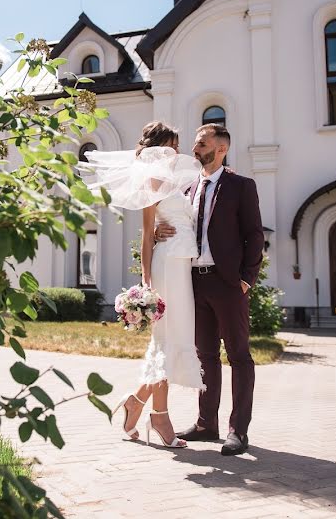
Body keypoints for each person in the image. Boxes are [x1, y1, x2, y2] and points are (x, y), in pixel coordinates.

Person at [81, 121, 204, 448]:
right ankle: (160, 416)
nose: (175, 152)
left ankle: (137, 402)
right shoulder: (153, 179)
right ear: (158, 147)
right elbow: (147, 233)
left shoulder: (174, 181)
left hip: (182, 265)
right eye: (171, 145)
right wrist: (146, 282)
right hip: (167, 267)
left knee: (177, 339)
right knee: (167, 340)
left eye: (177, 146)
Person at [156, 123, 264, 455]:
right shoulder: (188, 186)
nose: (194, 148)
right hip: (194, 281)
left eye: (201, 143)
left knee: (239, 356)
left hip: (229, 282)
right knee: (205, 356)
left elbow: (254, 234)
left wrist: (247, 279)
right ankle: (206, 423)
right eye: (195, 141)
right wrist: (161, 231)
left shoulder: (241, 186)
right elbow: (178, 224)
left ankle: (238, 431)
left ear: (221, 149)